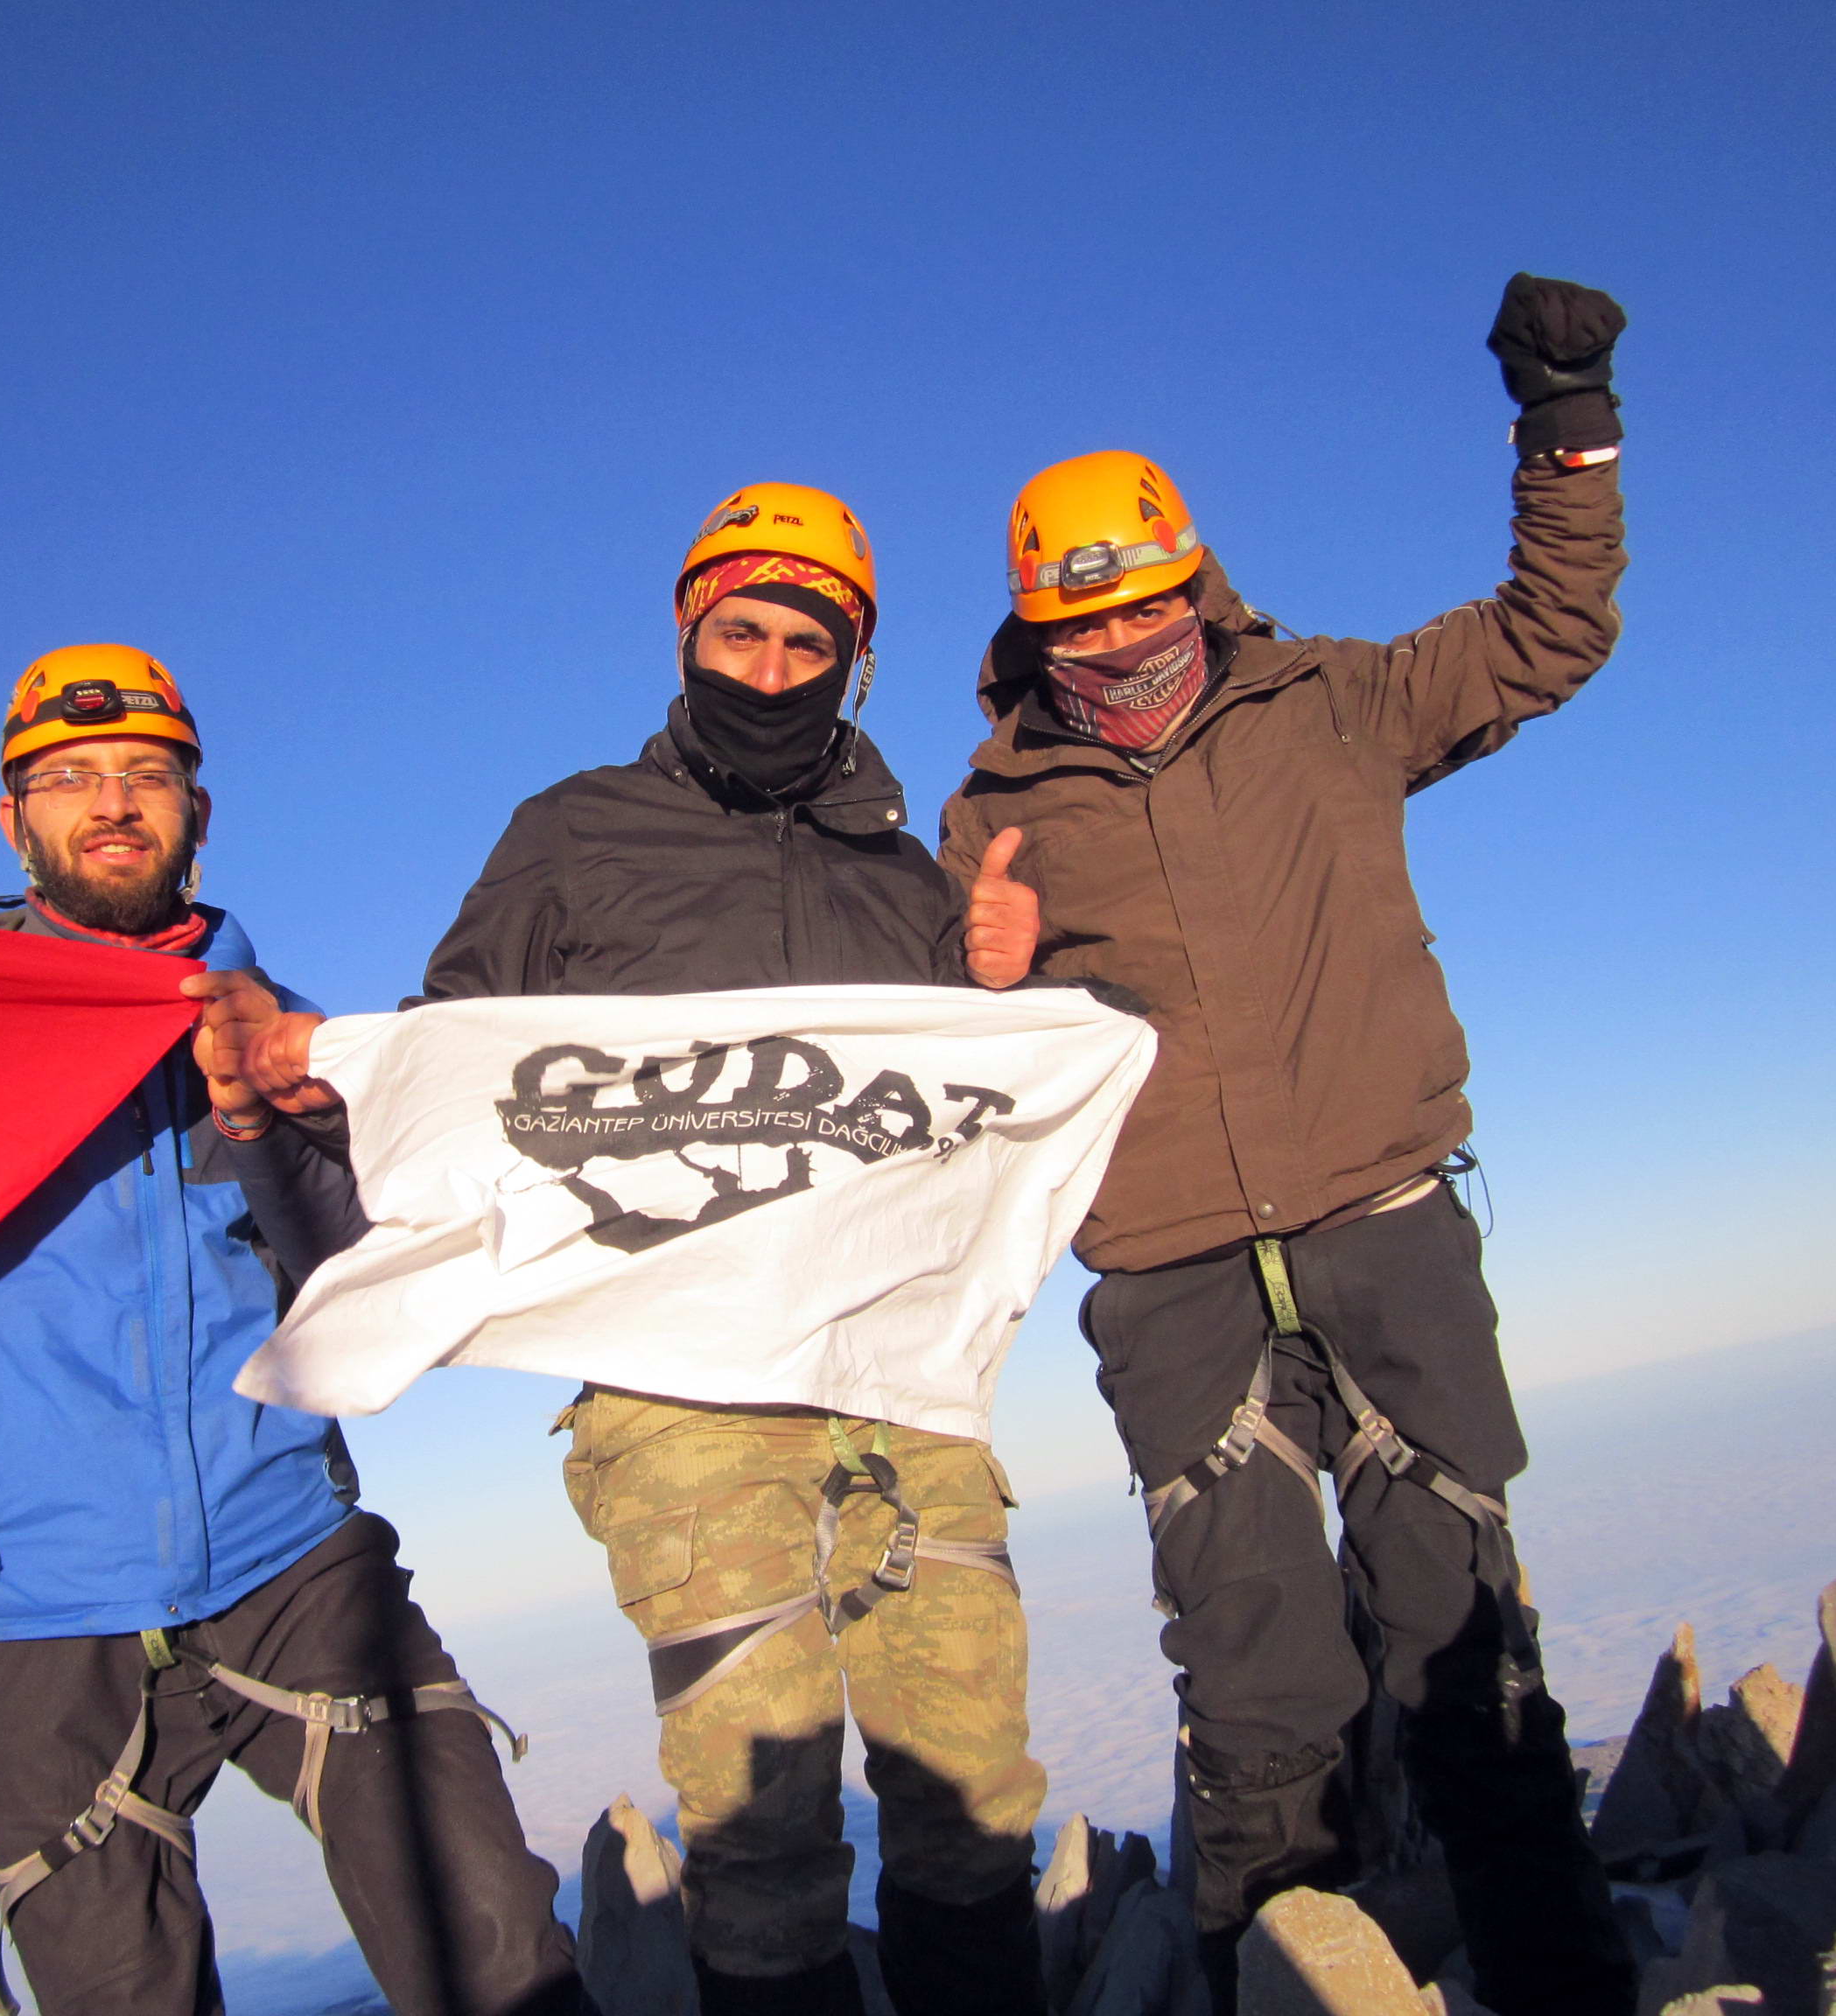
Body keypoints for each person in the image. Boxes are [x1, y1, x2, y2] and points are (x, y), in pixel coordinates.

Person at [252, 487, 1054, 2016]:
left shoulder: (910, 878)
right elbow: (458, 1053)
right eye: (740, 633)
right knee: (762, 1826)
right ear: (689, 635)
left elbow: (965, 1119)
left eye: (806, 643)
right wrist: (333, 1083)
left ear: (856, 660)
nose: (770, 669)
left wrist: (1002, 986)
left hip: (894, 1382)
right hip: (676, 1389)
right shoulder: (575, 833)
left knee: (971, 1787)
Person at [936, 276, 1637, 2012]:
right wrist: (979, 977)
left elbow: (1548, 633)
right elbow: (956, 1075)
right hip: (1172, 1286)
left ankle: (1561, 1989)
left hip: (1384, 1232)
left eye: (1151, 602)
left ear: (1199, 581)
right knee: (1258, 1703)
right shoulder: (991, 813)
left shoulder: (1335, 701)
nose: (1126, 643)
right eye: (1087, 622)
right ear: (1033, 630)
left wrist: (1566, 426)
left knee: (1466, 1654)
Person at [0, 643, 580, 2016]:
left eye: (146, 776)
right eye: (70, 778)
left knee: (500, 1954)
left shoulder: (289, 1034)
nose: (113, 802)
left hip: (291, 1553)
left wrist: (272, 1114)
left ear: (197, 813)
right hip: (46, 1603)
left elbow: (362, 1274)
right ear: (13, 820)